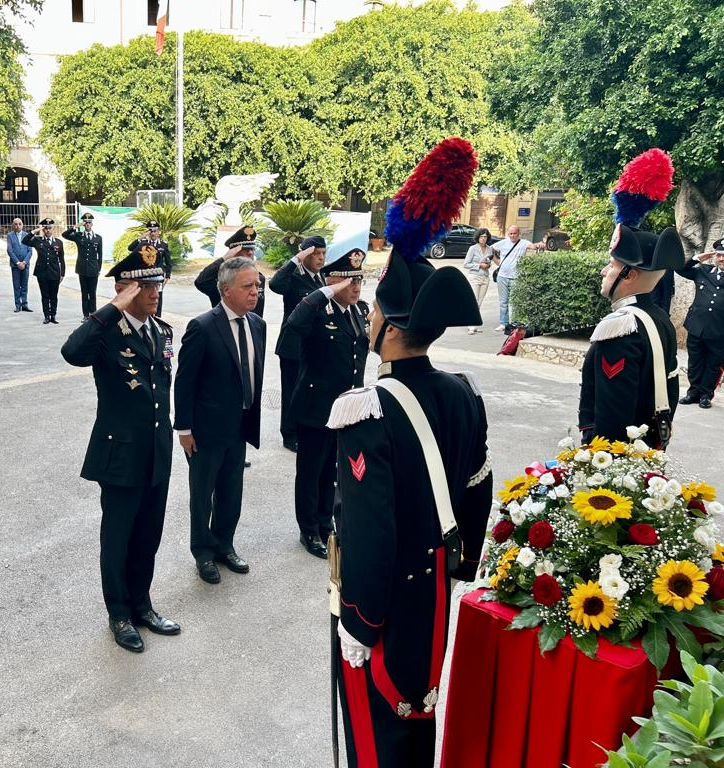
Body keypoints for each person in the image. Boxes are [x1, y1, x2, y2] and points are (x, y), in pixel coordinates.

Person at [327, 137, 492, 768]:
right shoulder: (463, 394)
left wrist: (360, 622)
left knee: (378, 731)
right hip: (435, 592)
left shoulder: (367, 409)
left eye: (373, 311)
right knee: (418, 716)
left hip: (388, 602)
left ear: (391, 327)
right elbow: (478, 484)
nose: (366, 319)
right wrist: (461, 560)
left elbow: (372, 531)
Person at [60, 246, 180, 653]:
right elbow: (72, 352)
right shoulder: (107, 331)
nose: (155, 292)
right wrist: (113, 306)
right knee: (118, 539)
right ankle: (120, 614)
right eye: (145, 285)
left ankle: (143, 605)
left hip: (156, 453)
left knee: (148, 537)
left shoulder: (161, 331)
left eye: (157, 283)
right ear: (124, 289)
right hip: (120, 456)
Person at [579, 148, 685, 445]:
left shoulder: (621, 327)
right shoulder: (658, 317)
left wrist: (599, 464)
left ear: (631, 275)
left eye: (611, 265)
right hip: (649, 450)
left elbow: (612, 416)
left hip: (616, 465)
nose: (604, 271)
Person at [174, 256, 266, 585]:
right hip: (206, 429)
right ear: (226, 290)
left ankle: (224, 545)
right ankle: (203, 551)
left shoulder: (257, 324)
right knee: (203, 495)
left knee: (231, 492)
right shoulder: (202, 327)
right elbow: (184, 382)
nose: (255, 292)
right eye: (248, 286)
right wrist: (184, 429)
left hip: (240, 425)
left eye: (257, 285)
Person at [279, 249, 369, 559]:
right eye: (348, 282)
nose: (355, 288)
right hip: (316, 407)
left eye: (359, 281)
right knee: (311, 471)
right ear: (332, 283)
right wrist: (324, 292)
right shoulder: (317, 310)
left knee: (333, 470)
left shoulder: (358, 312)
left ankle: (325, 521)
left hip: (346, 409)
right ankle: (308, 529)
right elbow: (293, 325)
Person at [269, 236, 326, 452]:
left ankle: (304, 427)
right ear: (305, 256)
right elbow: (275, 284)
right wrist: (297, 258)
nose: (320, 258)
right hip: (293, 346)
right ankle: (290, 433)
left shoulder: (320, 277)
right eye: (315, 254)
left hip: (313, 344)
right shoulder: (293, 277)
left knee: (309, 389)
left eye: (323, 253)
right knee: (291, 390)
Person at [676, 240, 724, 409]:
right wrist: (697, 258)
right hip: (697, 326)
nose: (721, 258)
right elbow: (680, 269)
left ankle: (705, 395)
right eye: (719, 255)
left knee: (713, 364)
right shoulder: (703, 270)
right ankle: (693, 392)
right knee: (695, 361)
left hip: (719, 330)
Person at [194, 226, 266, 316]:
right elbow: (200, 282)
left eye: (252, 249)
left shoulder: (259, 278)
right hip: (224, 326)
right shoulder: (223, 278)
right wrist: (223, 258)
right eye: (245, 249)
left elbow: (258, 312)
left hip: (251, 327)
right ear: (233, 253)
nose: (250, 253)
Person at [491, 225, 542, 331]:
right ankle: (503, 323)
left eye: (515, 233)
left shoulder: (524, 243)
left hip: (516, 277)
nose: (512, 236)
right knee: (503, 302)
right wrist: (497, 262)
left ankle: (515, 323)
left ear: (519, 234)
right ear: (508, 233)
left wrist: (540, 244)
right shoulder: (503, 242)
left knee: (515, 302)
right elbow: (491, 249)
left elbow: (533, 246)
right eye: (510, 233)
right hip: (502, 276)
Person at [24, 218, 65, 324]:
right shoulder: (38, 240)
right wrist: (36, 230)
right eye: (45, 228)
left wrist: (62, 274)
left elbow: (62, 259)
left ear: (53, 229)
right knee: (45, 295)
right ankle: (46, 316)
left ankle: (53, 316)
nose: (47, 230)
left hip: (54, 273)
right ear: (43, 229)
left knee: (54, 296)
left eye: (49, 228)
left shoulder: (58, 242)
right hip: (42, 273)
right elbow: (24, 241)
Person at [63, 212, 103, 321]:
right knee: (84, 293)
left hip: (93, 269)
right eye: (85, 223)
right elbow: (64, 235)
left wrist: (98, 269)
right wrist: (75, 227)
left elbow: (100, 255)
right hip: (82, 269)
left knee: (93, 293)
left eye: (89, 222)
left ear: (92, 224)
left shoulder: (98, 238)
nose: (88, 224)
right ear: (83, 224)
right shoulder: (78, 236)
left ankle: (93, 314)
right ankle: (86, 315)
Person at [129, 222, 172, 315]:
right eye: (150, 231)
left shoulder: (163, 245)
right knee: (145, 297)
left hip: (158, 276)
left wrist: (167, 276)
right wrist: (141, 237)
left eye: (155, 231)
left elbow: (168, 262)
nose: (153, 233)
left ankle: (157, 320)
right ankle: (146, 318)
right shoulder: (144, 243)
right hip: (146, 276)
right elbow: (130, 248)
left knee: (158, 298)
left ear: (158, 232)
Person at [461, 227, 493, 334]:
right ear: (478, 237)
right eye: (481, 236)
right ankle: (471, 325)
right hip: (474, 277)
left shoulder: (489, 249)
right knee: (474, 301)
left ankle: (474, 323)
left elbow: (489, 261)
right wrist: (479, 265)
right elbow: (466, 264)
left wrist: (488, 265)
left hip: (485, 277)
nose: (483, 238)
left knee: (479, 301)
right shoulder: (473, 248)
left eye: (485, 236)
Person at [6, 218, 33, 312]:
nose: (18, 226)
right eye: (16, 224)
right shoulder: (10, 235)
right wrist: (17, 262)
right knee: (16, 285)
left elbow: (30, 251)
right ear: (13, 225)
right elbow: (10, 250)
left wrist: (24, 262)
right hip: (15, 265)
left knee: (24, 285)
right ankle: (18, 304)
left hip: (25, 265)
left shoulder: (27, 235)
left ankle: (24, 304)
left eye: (19, 224)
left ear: (23, 225)